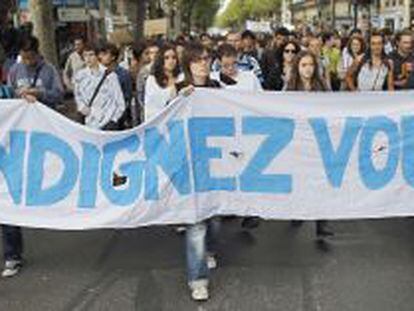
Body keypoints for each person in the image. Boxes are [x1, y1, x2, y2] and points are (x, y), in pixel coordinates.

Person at [176, 42, 221, 301]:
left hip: (216, 164)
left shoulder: (217, 89)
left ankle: (210, 251)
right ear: (189, 65)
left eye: (206, 59)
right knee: (196, 224)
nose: (202, 64)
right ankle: (198, 279)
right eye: (197, 60)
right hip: (190, 165)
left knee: (214, 219)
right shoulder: (181, 91)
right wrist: (179, 101)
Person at [284, 51, 333, 239]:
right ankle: (298, 212)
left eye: (311, 65)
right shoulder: (290, 88)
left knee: (320, 181)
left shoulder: (322, 87)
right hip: (298, 140)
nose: (308, 69)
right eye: (304, 65)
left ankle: (322, 223)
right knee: (300, 179)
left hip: (318, 139)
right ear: (297, 67)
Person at [74, 44, 125, 130]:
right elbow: (78, 96)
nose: (88, 58)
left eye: (91, 55)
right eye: (85, 55)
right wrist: (82, 107)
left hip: (107, 123)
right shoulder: (80, 76)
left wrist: (113, 120)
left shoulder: (110, 76)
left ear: (98, 56)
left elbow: (120, 102)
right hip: (88, 124)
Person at [0, 83, 22, 278]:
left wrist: (26, 103)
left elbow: (20, 114)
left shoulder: (6, 91)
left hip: (6, 158)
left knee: (6, 208)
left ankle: (12, 255)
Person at [8, 35, 64, 108]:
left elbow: (59, 95)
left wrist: (39, 93)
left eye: (31, 58)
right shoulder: (14, 70)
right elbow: (9, 94)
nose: (28, 62)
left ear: (37, 53)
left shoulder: (49, 70)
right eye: (24, 58)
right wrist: (21, 94)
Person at [98, 42, 133, 128]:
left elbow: (127, 97)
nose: (101, 57)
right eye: (101, 54)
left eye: (105, 54)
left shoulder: (123, 74)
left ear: (113, 57)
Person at [144, 44, 180, 121]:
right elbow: (154, 102)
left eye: (174, 57)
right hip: (159, 121)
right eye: (166, 58)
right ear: (160, 60)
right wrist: (173, 90)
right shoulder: (152, 80)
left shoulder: (181, 77)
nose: (171, 61)